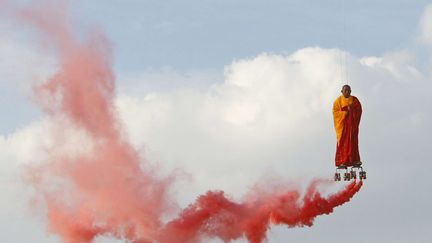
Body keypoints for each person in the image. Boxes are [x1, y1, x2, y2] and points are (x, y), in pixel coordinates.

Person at [332, 85, 362, 167]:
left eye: (349, 90)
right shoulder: (338, 101)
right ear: (341, 91)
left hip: (352, 127)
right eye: (345, 90)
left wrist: (351, 109)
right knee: (343, 143)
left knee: (353, 143)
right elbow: (335, 112)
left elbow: (359, 109)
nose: (347, 92)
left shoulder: (354, 100)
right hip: (343, 128)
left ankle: (355, 160)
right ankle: (342, 161)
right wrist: (344, 113)